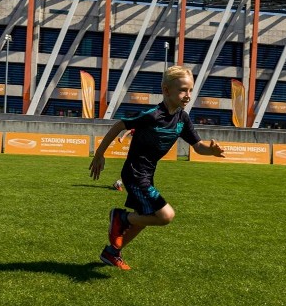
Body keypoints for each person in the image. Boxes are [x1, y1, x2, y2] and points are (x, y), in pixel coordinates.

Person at [89, 65, 225, 270]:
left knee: (144, 218)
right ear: (166, 90)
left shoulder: (182, 119)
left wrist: (211, 151)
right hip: (135, 174)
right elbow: (119, 125)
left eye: (190, 90)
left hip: (147, 174)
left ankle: (111, 253)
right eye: (182, 90)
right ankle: (120, 217)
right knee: (165, 216)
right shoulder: (153, 115)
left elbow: (197, 146)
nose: (187, 95)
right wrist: (99, 154)